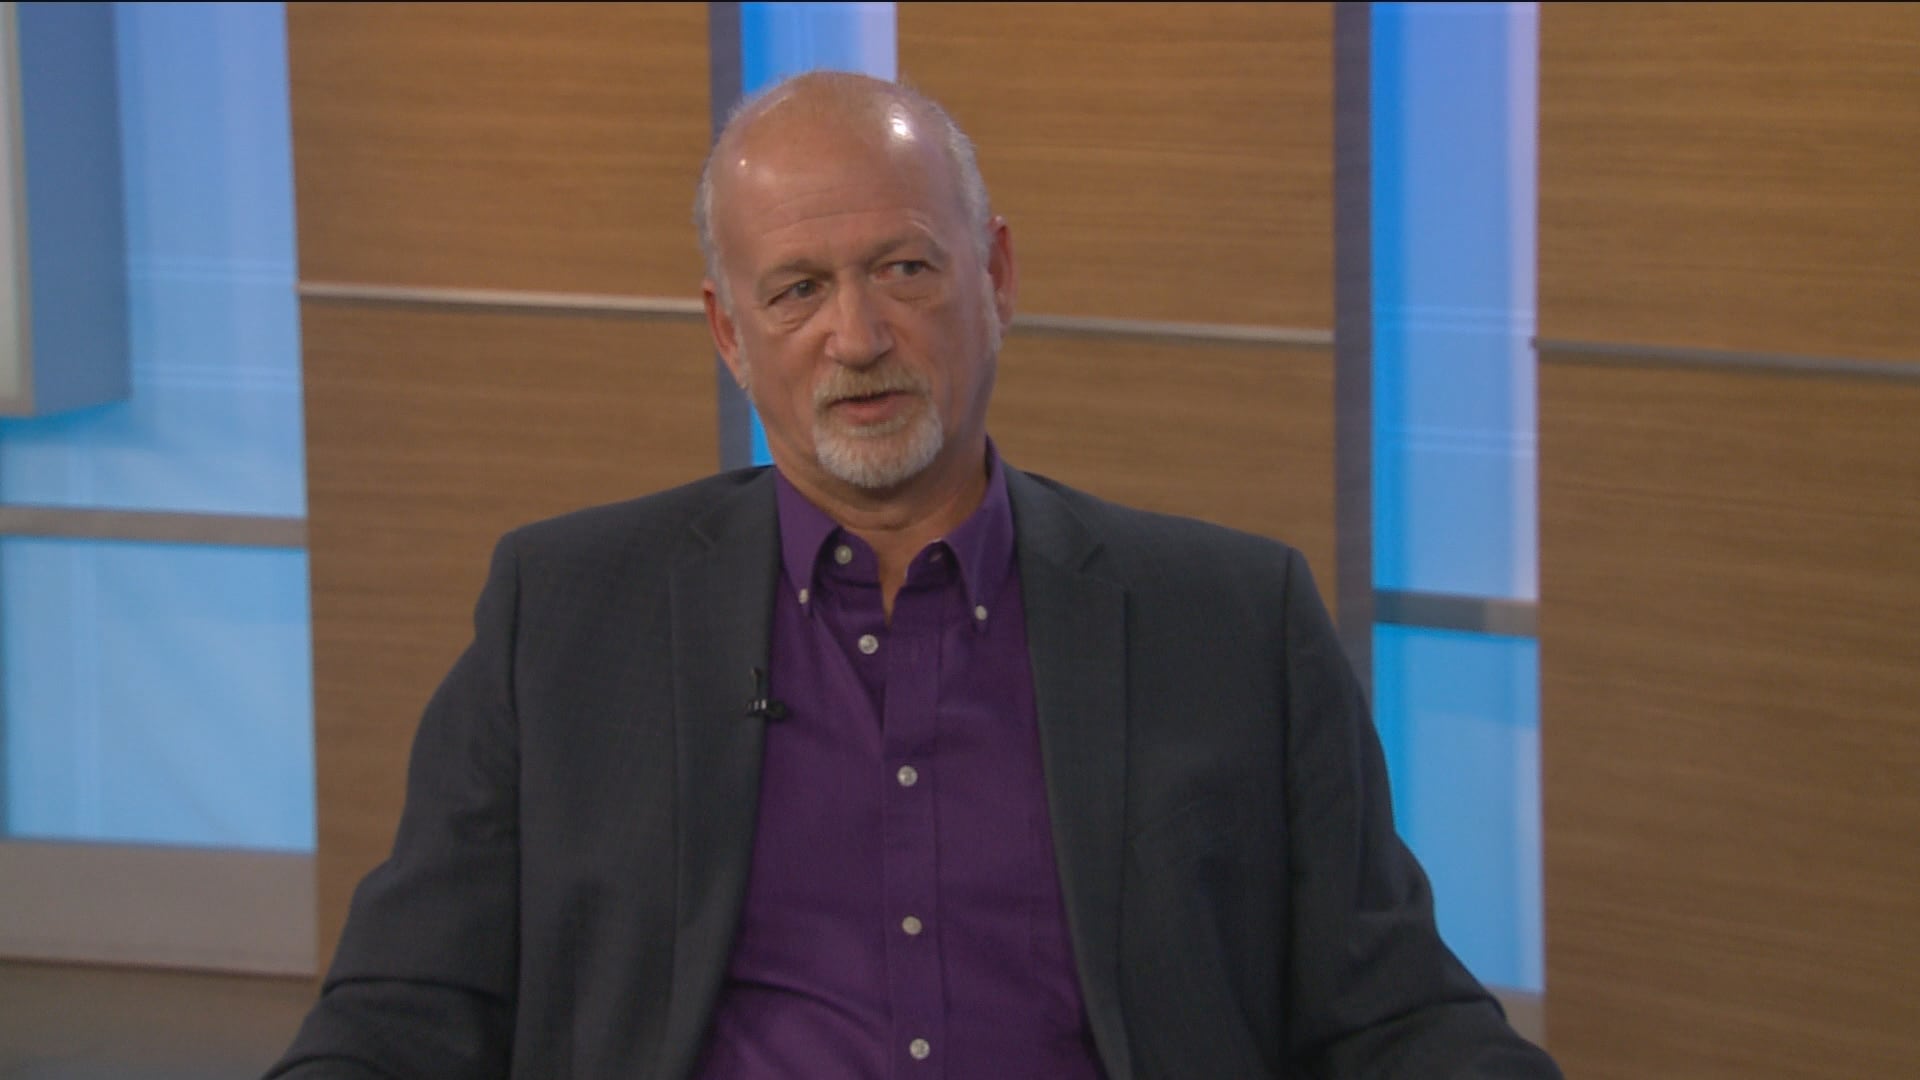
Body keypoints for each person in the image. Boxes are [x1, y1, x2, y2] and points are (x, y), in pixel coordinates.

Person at [268, 71, 1561, 1079]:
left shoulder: (1228, 620)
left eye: (903, 268)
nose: (858, 336)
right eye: (797, 290)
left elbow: (1392, 1011)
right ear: (729, 332)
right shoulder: (564, 613)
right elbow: (406, 1008)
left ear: (994, 276)